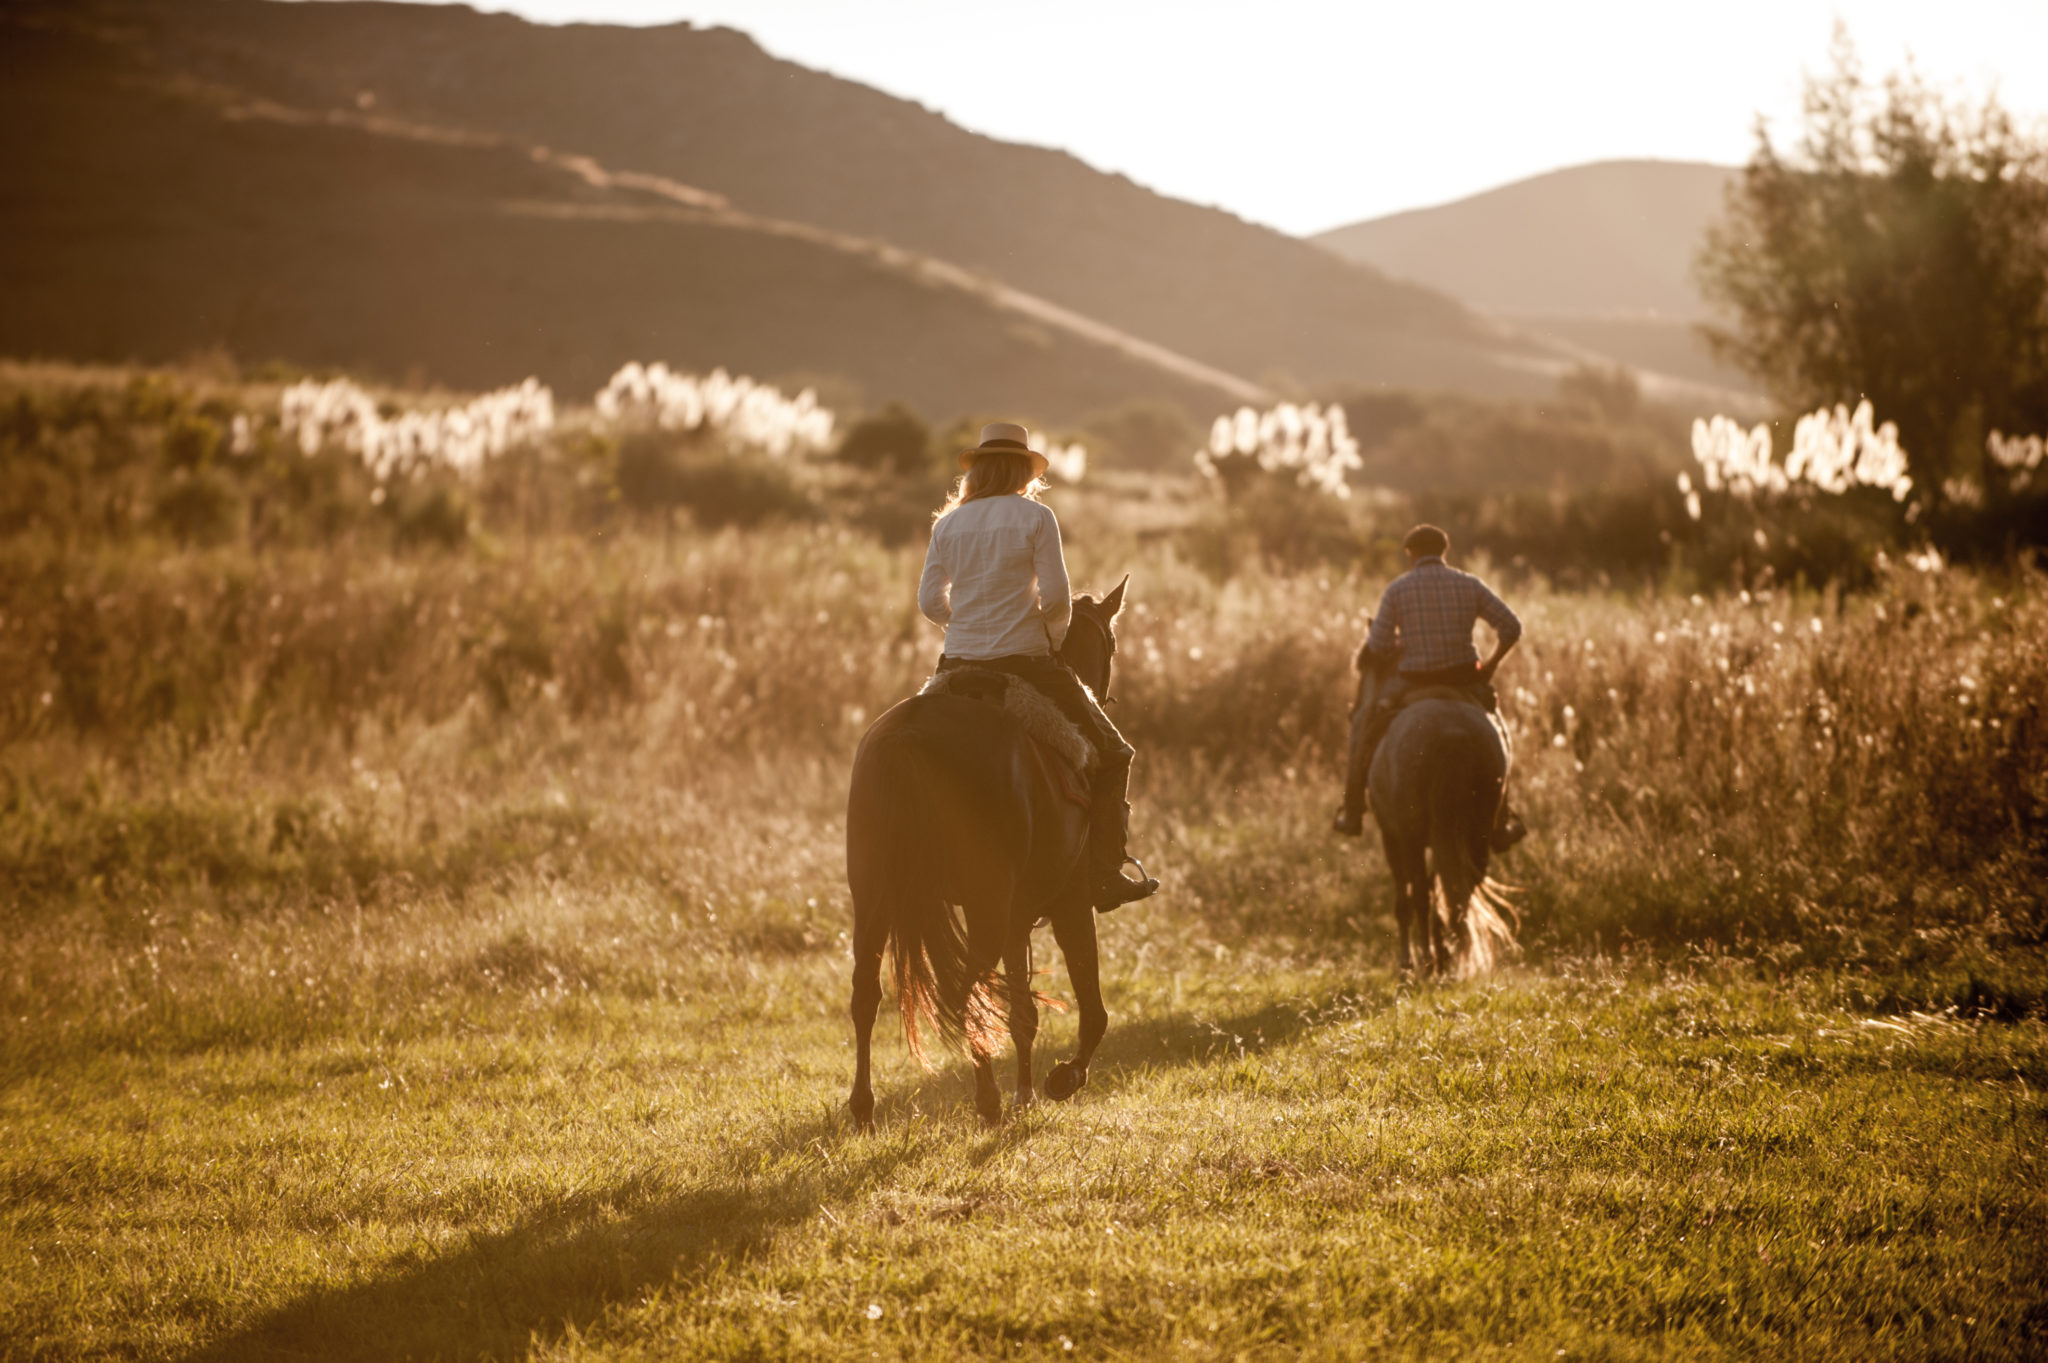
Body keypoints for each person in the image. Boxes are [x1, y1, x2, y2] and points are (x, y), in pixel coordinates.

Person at [918, 422, 1160, 911]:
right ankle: (1106, 872)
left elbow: (928, 602)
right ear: (1024, 470)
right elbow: (1054, 600)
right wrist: (1045, 641)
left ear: (978, 470)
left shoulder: (947, 524)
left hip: (954, 665)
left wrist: (965, 624)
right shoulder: (1036, 518)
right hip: (1026, 662)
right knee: (1115, 752)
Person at [1333, 524, 1527, 846]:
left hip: (1413, 684)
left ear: (1411, 554)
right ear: (1443, 551)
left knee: (1365, 727)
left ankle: (1352, 810)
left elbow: (1378, 646)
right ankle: (1501, 819)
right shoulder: (1469, 584)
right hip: (1465, 682)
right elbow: (1511, 627)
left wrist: (1402, 644)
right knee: (1499, 731)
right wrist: (1489, 666)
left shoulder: (1398, 589)